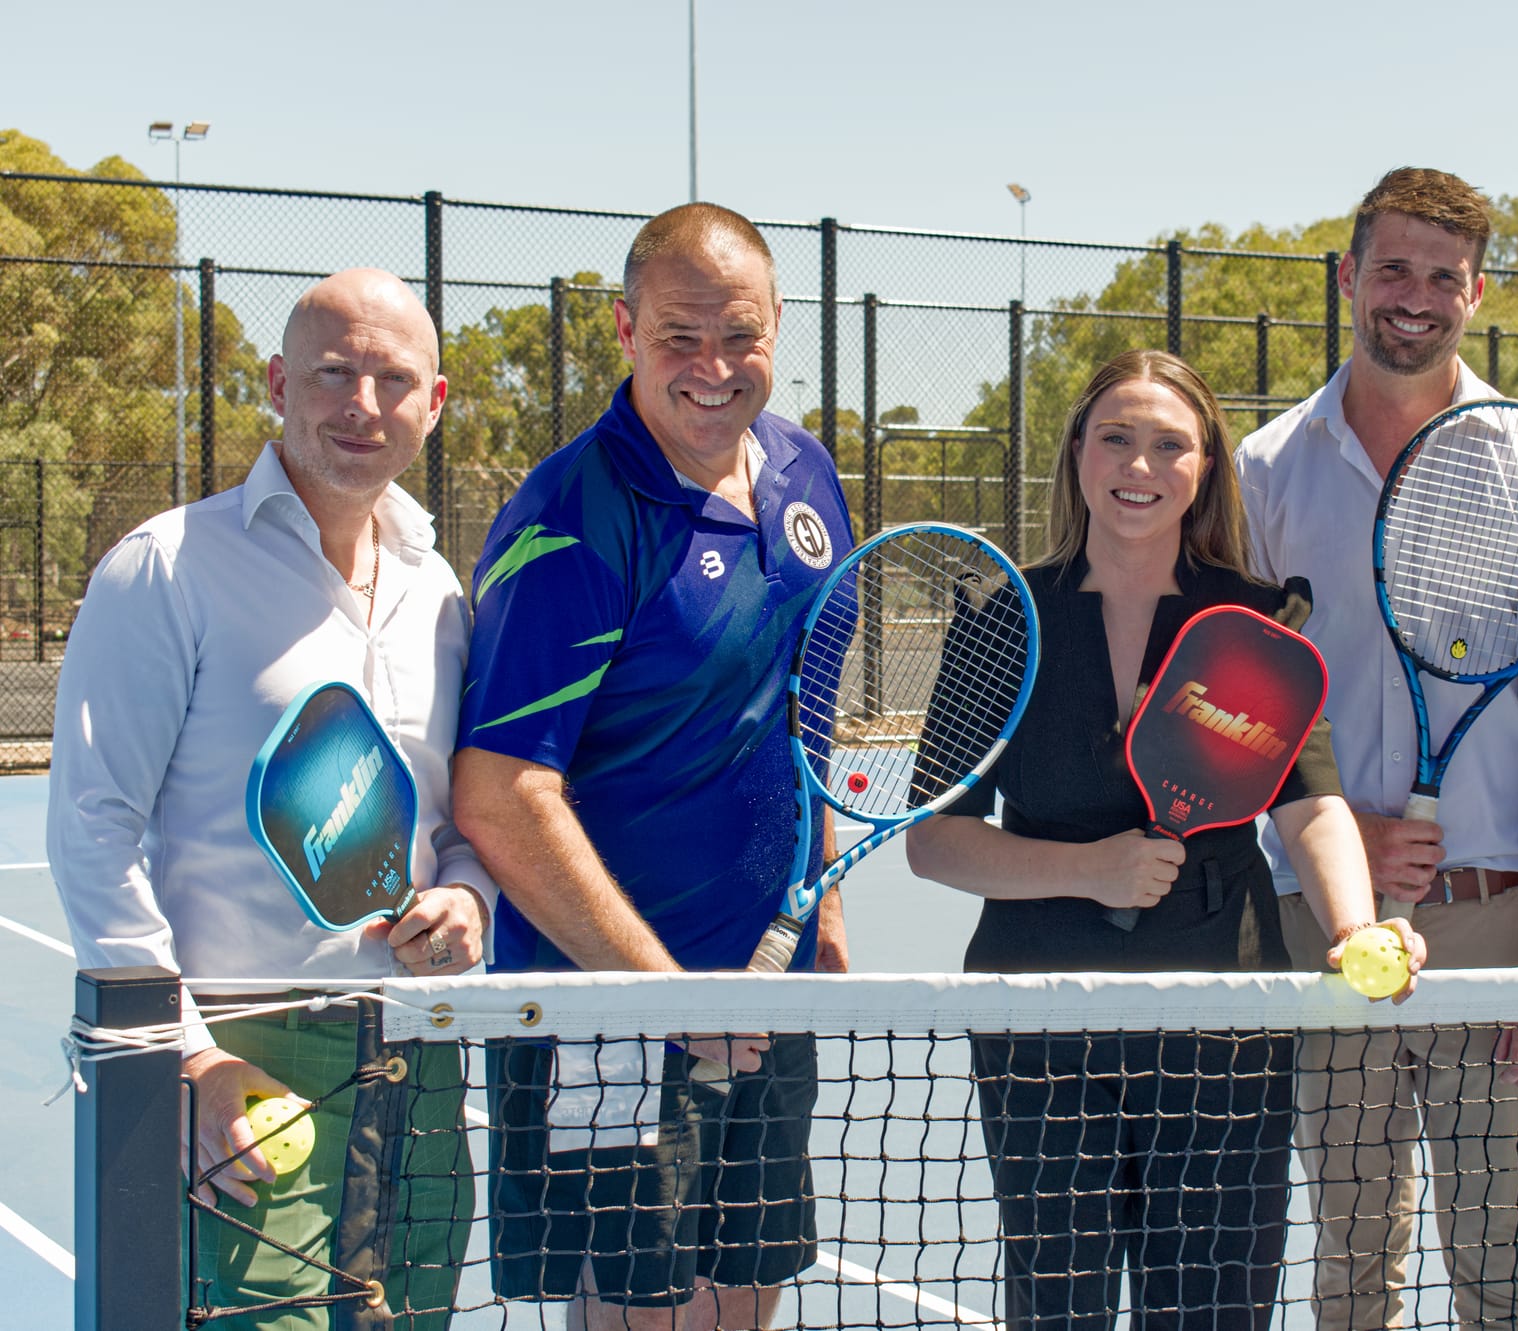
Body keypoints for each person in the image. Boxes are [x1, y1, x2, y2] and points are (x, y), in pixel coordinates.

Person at [905, 349, 1411, 1331]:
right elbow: (936, 839)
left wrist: (1354, 925)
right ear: (1077, 453)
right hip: (1038, 1017)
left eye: (1169, 445)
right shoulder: (1001, 618)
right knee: (1059, 1309)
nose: (1140, 465)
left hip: (1223, 1011)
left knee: (1214, 1307)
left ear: (1204, 465)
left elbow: (1311, 806)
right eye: (1116, 438)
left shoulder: (1255, 618)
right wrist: (1091, 869)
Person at [46, 268, 491, 1328]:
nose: (362, 405)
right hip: (245, 1057)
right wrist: (189, 1056)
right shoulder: (165, 568)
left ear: (434, 402)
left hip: (420, 1053)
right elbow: (93, 829)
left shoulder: (439, 590)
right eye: (334, 373)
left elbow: (455, 816)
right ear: (278, 383)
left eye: (394, 379)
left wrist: (468, 893)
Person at [451, 201, 854, 1331]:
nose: (712, 367)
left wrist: (821, 898)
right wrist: (671, 999)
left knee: (746, 1287)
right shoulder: (570, 519)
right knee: (640, 1310)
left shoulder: (804, 471)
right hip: (608, 1011)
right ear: (626, 331)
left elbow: (806, 707)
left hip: (763, 982)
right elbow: (501, 794)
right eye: (680, 336)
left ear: (778, 325)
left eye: (739, 335)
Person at [1233, 166, 1518, 1329]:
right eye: (1391, 268)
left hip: (1496, 926)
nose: (1414, 296)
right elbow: (1246, 703)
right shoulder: (1263, 470)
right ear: (1347, 277)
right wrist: (1341, 839)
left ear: (1475, 292)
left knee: (1501, 1279)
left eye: (1441, 276)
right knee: (1351, 1269)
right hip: (1322, 921)